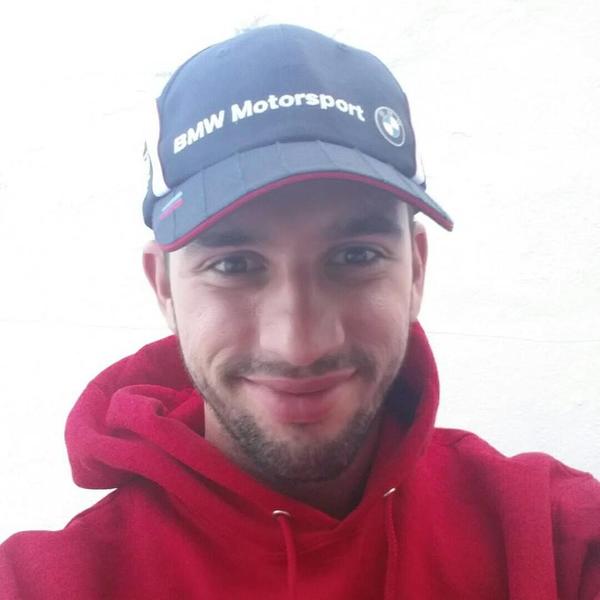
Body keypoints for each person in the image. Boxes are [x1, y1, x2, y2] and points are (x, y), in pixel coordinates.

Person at [1, 24, 599, 600]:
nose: (300, 344)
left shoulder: (555, 542)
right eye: (234, 265)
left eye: (355, 256)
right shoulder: (43, 583)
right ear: (164, 288)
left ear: (416, 270)